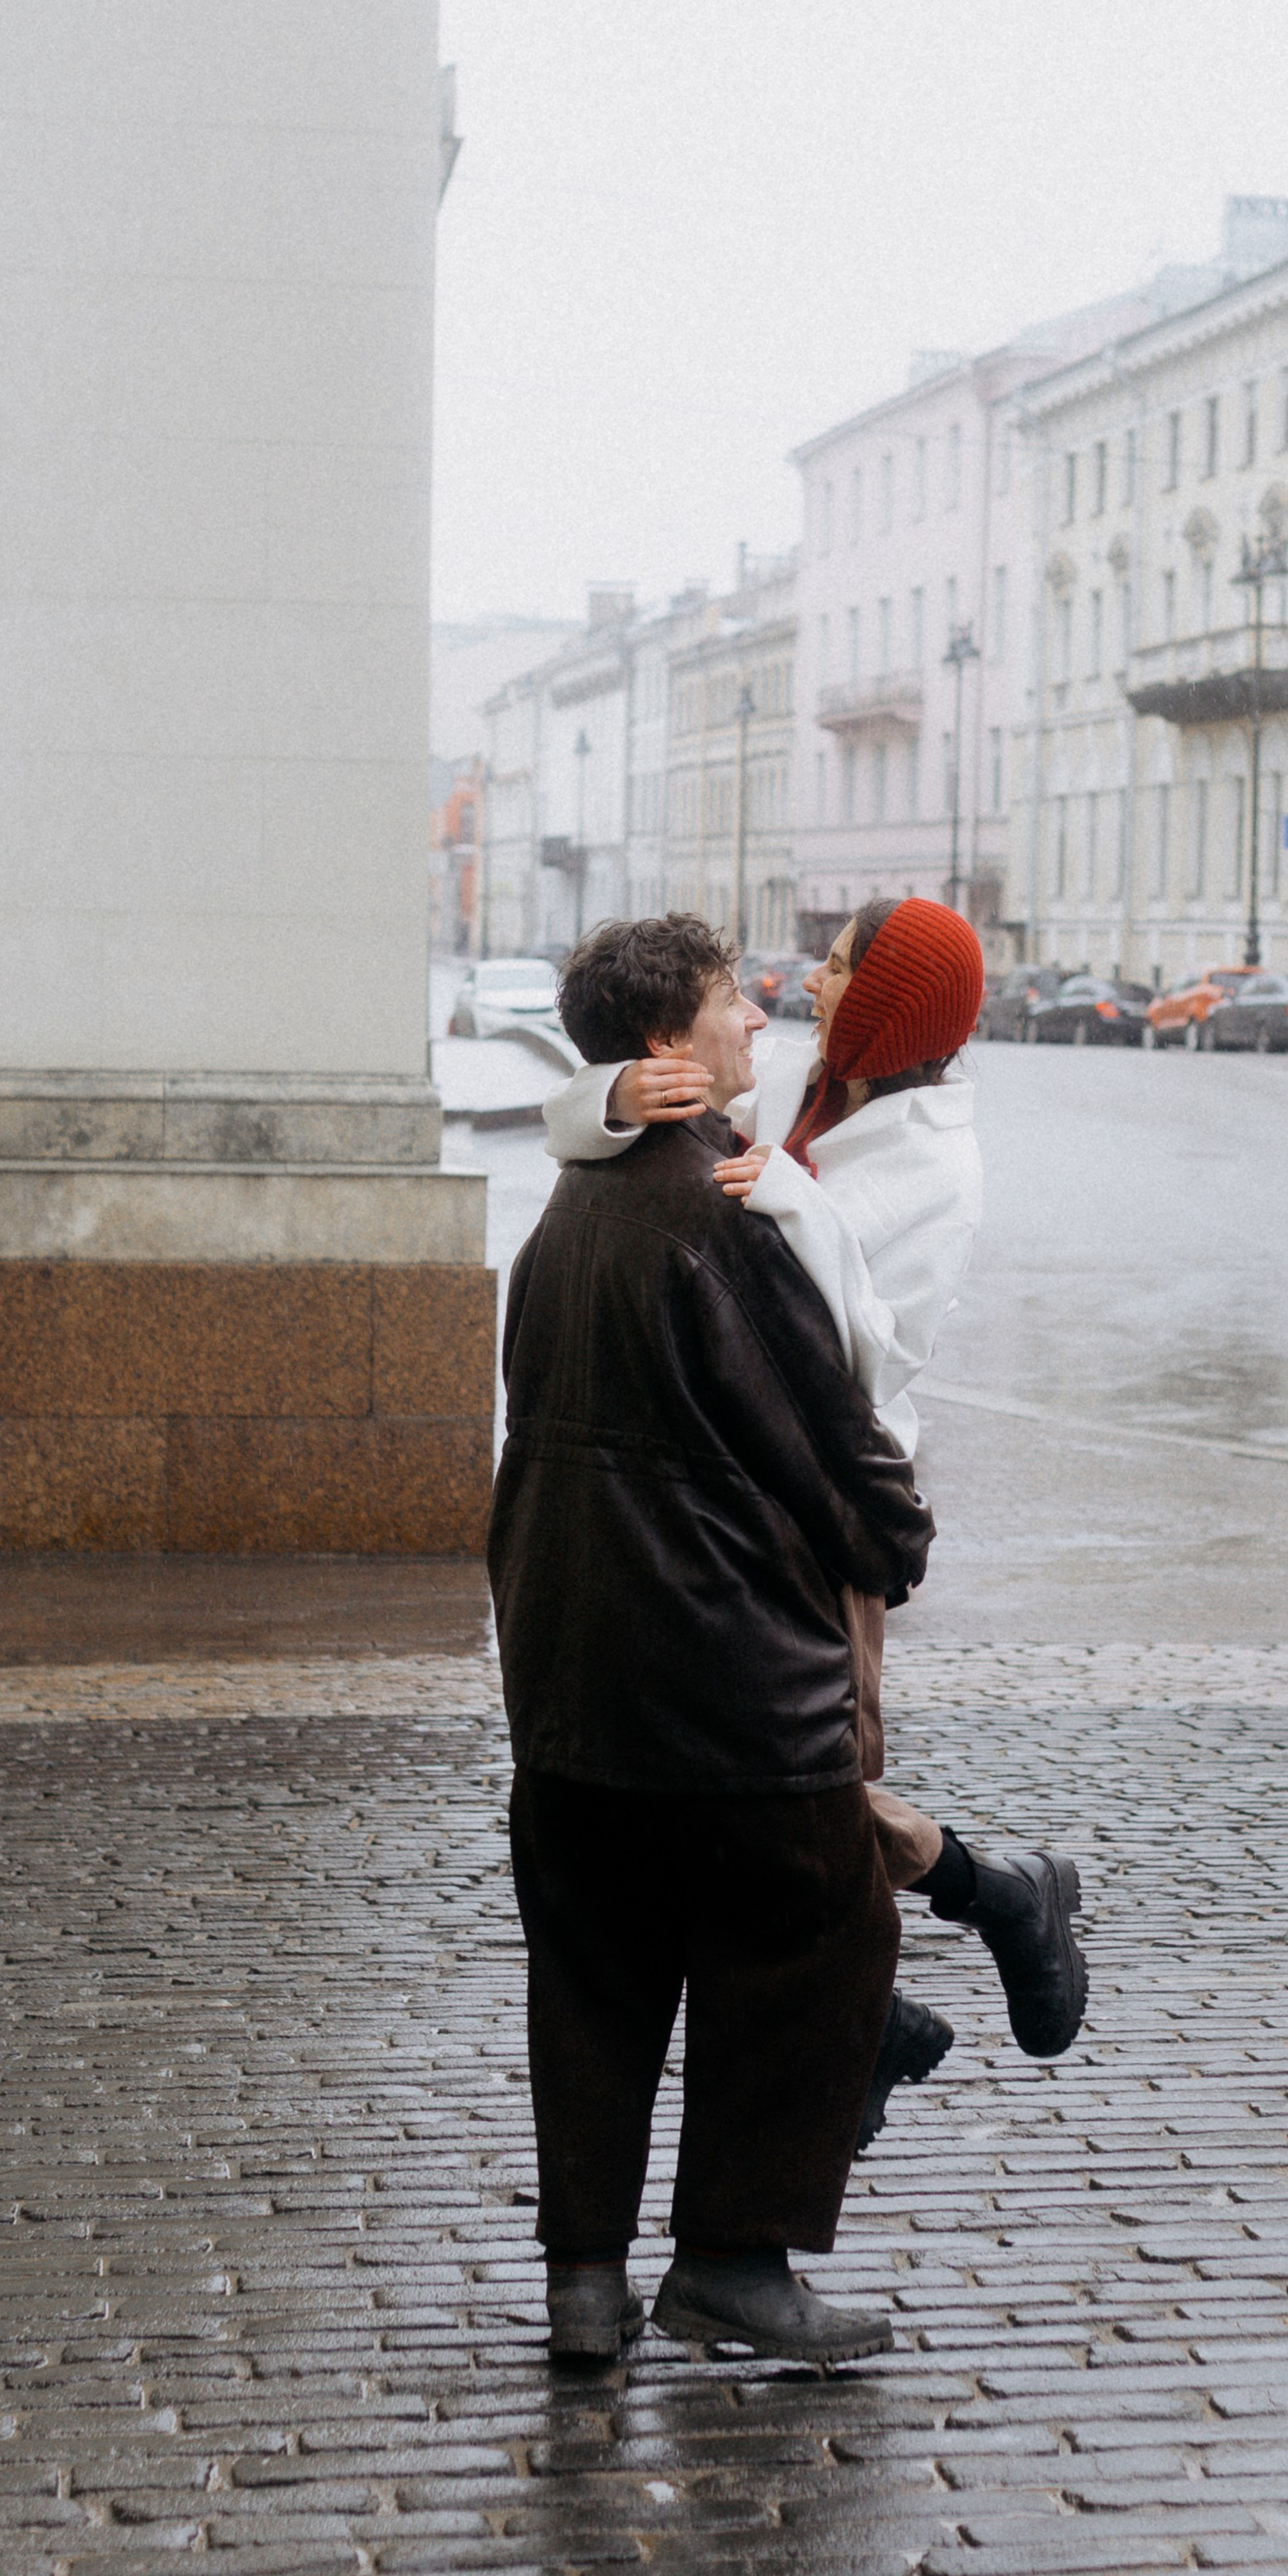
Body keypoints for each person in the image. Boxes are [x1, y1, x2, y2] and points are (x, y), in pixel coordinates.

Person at [542, 896, 1087, 2138]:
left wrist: (792, 1202)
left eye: (843, 968)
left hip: (826, 1511)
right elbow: (577, 1121)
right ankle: (961, 1918)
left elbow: (869, 1357)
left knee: (783, 1792)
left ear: (894, 1003)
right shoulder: (784, 1068)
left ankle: (903, 1976)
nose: (812, 983)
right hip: (716, 1483)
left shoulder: (941, 1166)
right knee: (749, 1793)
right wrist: (619, 1101)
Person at [490, 914, 935, 2368]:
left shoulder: (563, 1213)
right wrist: (893, 1545)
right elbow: (823, 1429)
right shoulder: (724, 1209)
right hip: (731, 1673)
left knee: (597, 1969)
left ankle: (585, 2283)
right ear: (670, 1044)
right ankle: (737, 2263)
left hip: (567, 1670)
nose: (759, 1022)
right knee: (817, 1939)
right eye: (735, 999)